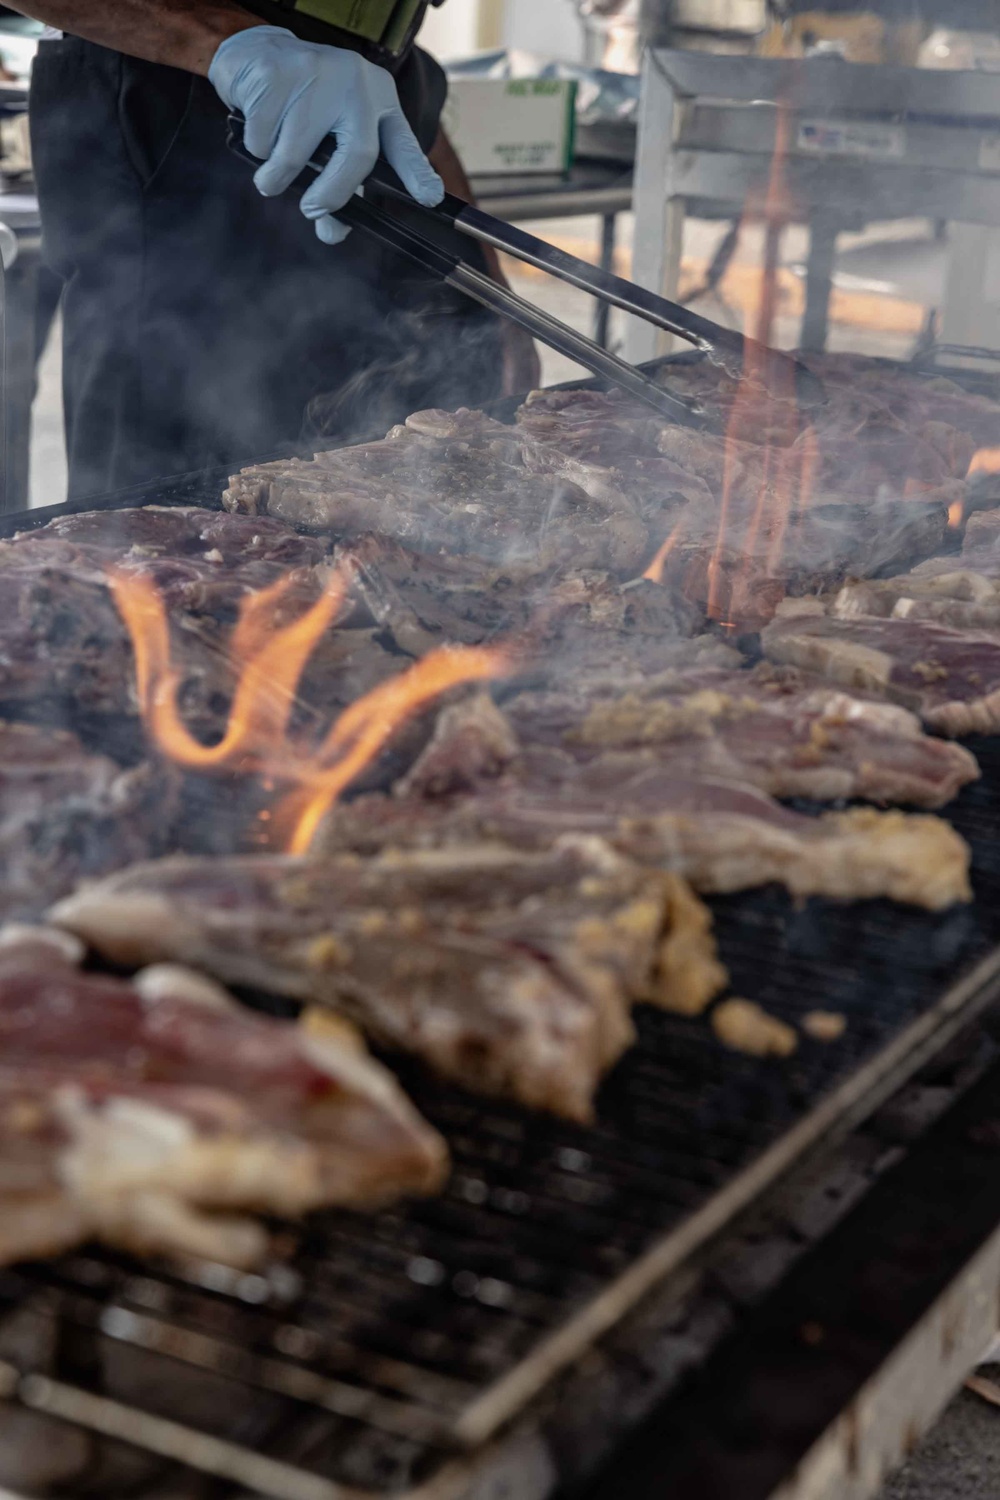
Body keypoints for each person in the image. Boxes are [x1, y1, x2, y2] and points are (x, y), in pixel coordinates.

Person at [7, 1, 539, 500]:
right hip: (178, 80)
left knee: (400, 487)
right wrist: (231, 43)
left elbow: (378, 66)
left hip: (371, 87)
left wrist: (491, 285)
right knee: (166, 516)